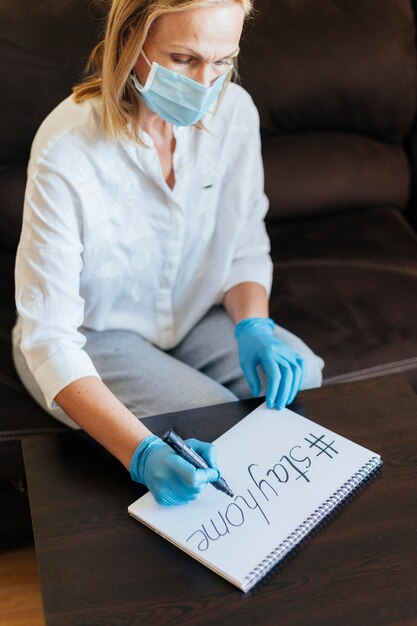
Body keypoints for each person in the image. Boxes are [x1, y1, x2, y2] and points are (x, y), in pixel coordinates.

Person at [12, 0, 324, 506]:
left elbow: (245, 244)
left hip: (194, 316)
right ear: (132, 41)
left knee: (304, 377)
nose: (206, 83)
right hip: (93, 336)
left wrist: (254, 326)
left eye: (223, 61)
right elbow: (49, 340)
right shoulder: (66, 149)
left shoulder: (236, 114)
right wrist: (141, 454)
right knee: (215, 418)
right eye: (183, 58)